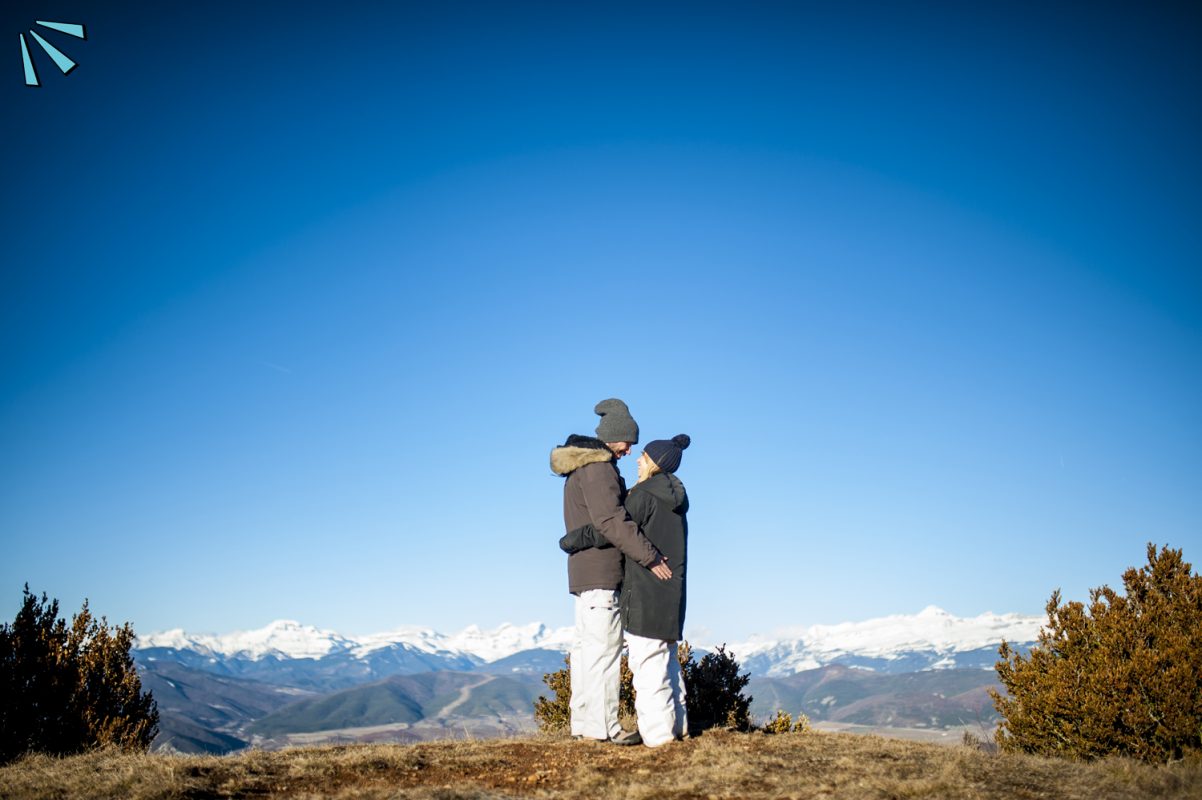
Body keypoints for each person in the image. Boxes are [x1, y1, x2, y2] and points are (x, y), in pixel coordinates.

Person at [549, 398, 672, 745]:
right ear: (613, 437)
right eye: (627, 442)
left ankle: (584, 724)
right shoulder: (599, 468)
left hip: (584, 573)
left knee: (587, 651)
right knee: (603, 652)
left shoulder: (580, 468)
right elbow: (611, 520)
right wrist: (650, 557)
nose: (629, 449)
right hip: (602, 572)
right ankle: (604, 728)